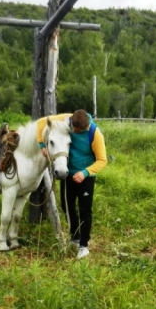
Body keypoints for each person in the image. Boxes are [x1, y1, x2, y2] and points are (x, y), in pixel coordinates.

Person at [36, 109, 107, 259]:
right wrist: (41, 145)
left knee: (85, 210)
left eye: (76, 130)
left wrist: (85, 173)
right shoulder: (67, 119)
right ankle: (75, 237)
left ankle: (84, 245)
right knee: (67, 206)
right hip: (68, 173)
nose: (73, 131)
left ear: (85, 127)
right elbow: (42, 122)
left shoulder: (94, 133)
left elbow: (102, 160)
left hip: (85, 176)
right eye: (72, 128)